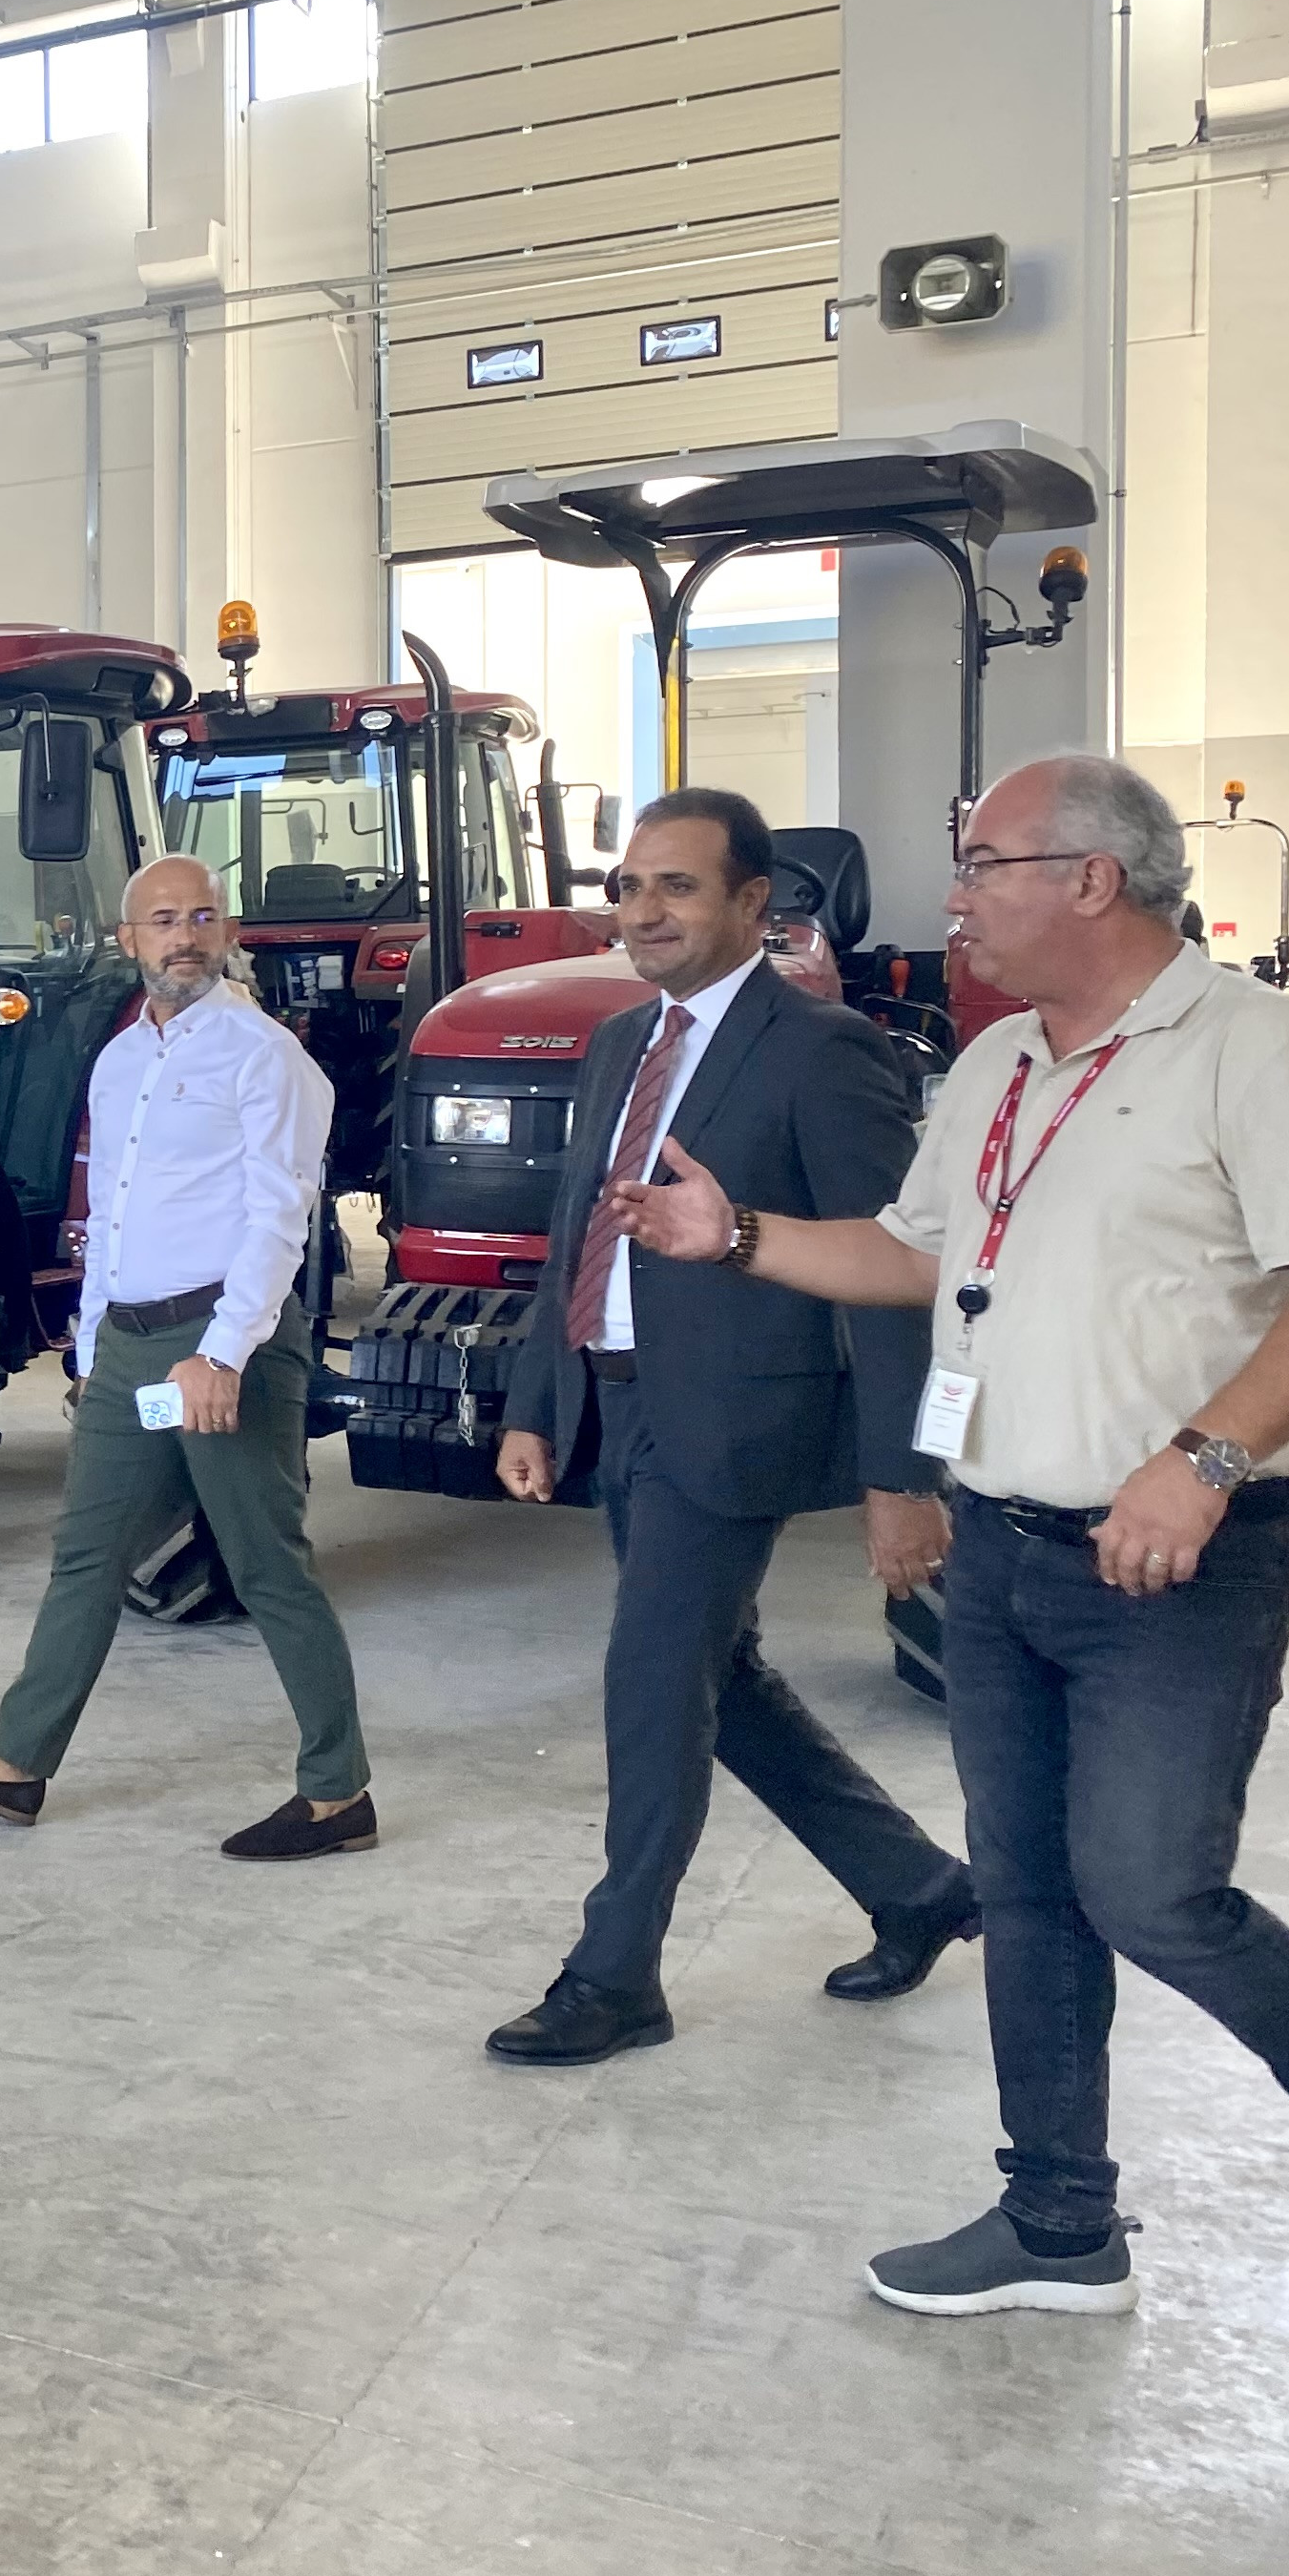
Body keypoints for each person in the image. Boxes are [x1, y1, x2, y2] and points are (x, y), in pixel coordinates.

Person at [614, 755, 1289, 2316]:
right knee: (1028, 1888)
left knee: (1149, 1887)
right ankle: (1059, 2222)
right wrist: (735, 1235)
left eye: (983, 863)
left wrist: (1202, 1458)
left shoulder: (1255, 1050)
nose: (956, 897)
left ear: (1090, 878)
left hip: (1180, 1555)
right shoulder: (998, 1064)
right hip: (1002, 1543)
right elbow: (917, 1256)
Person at [484, 790, 980, 2066]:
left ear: (754, 903)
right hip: (620, 1404)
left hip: (735, 1421)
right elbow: (577, 1234)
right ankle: (920, 1887)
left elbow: (892, 1270)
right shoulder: (618, 1043)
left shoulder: (822, 1051)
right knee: (723, 1681)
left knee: (653, 1686)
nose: (643, 911)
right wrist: (540, 1400)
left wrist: (901, 1474)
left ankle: (615, 1977)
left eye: (679, 886)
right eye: (629, 886)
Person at [0, 854, 374, 1859]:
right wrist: (92, 1341)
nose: (183, 937)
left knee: (265, 1563)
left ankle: (338, 1796)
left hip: (224, 1346)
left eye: (201, 917)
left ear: (226, 932)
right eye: (163, 920)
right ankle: (16, 1764)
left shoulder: (264, 1056)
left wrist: (224, 1354)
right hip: (133, 1351)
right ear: (129, 941)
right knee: (89, 1554)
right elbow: (108, 1211)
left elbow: (280, 1217)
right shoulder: (116, 1064)